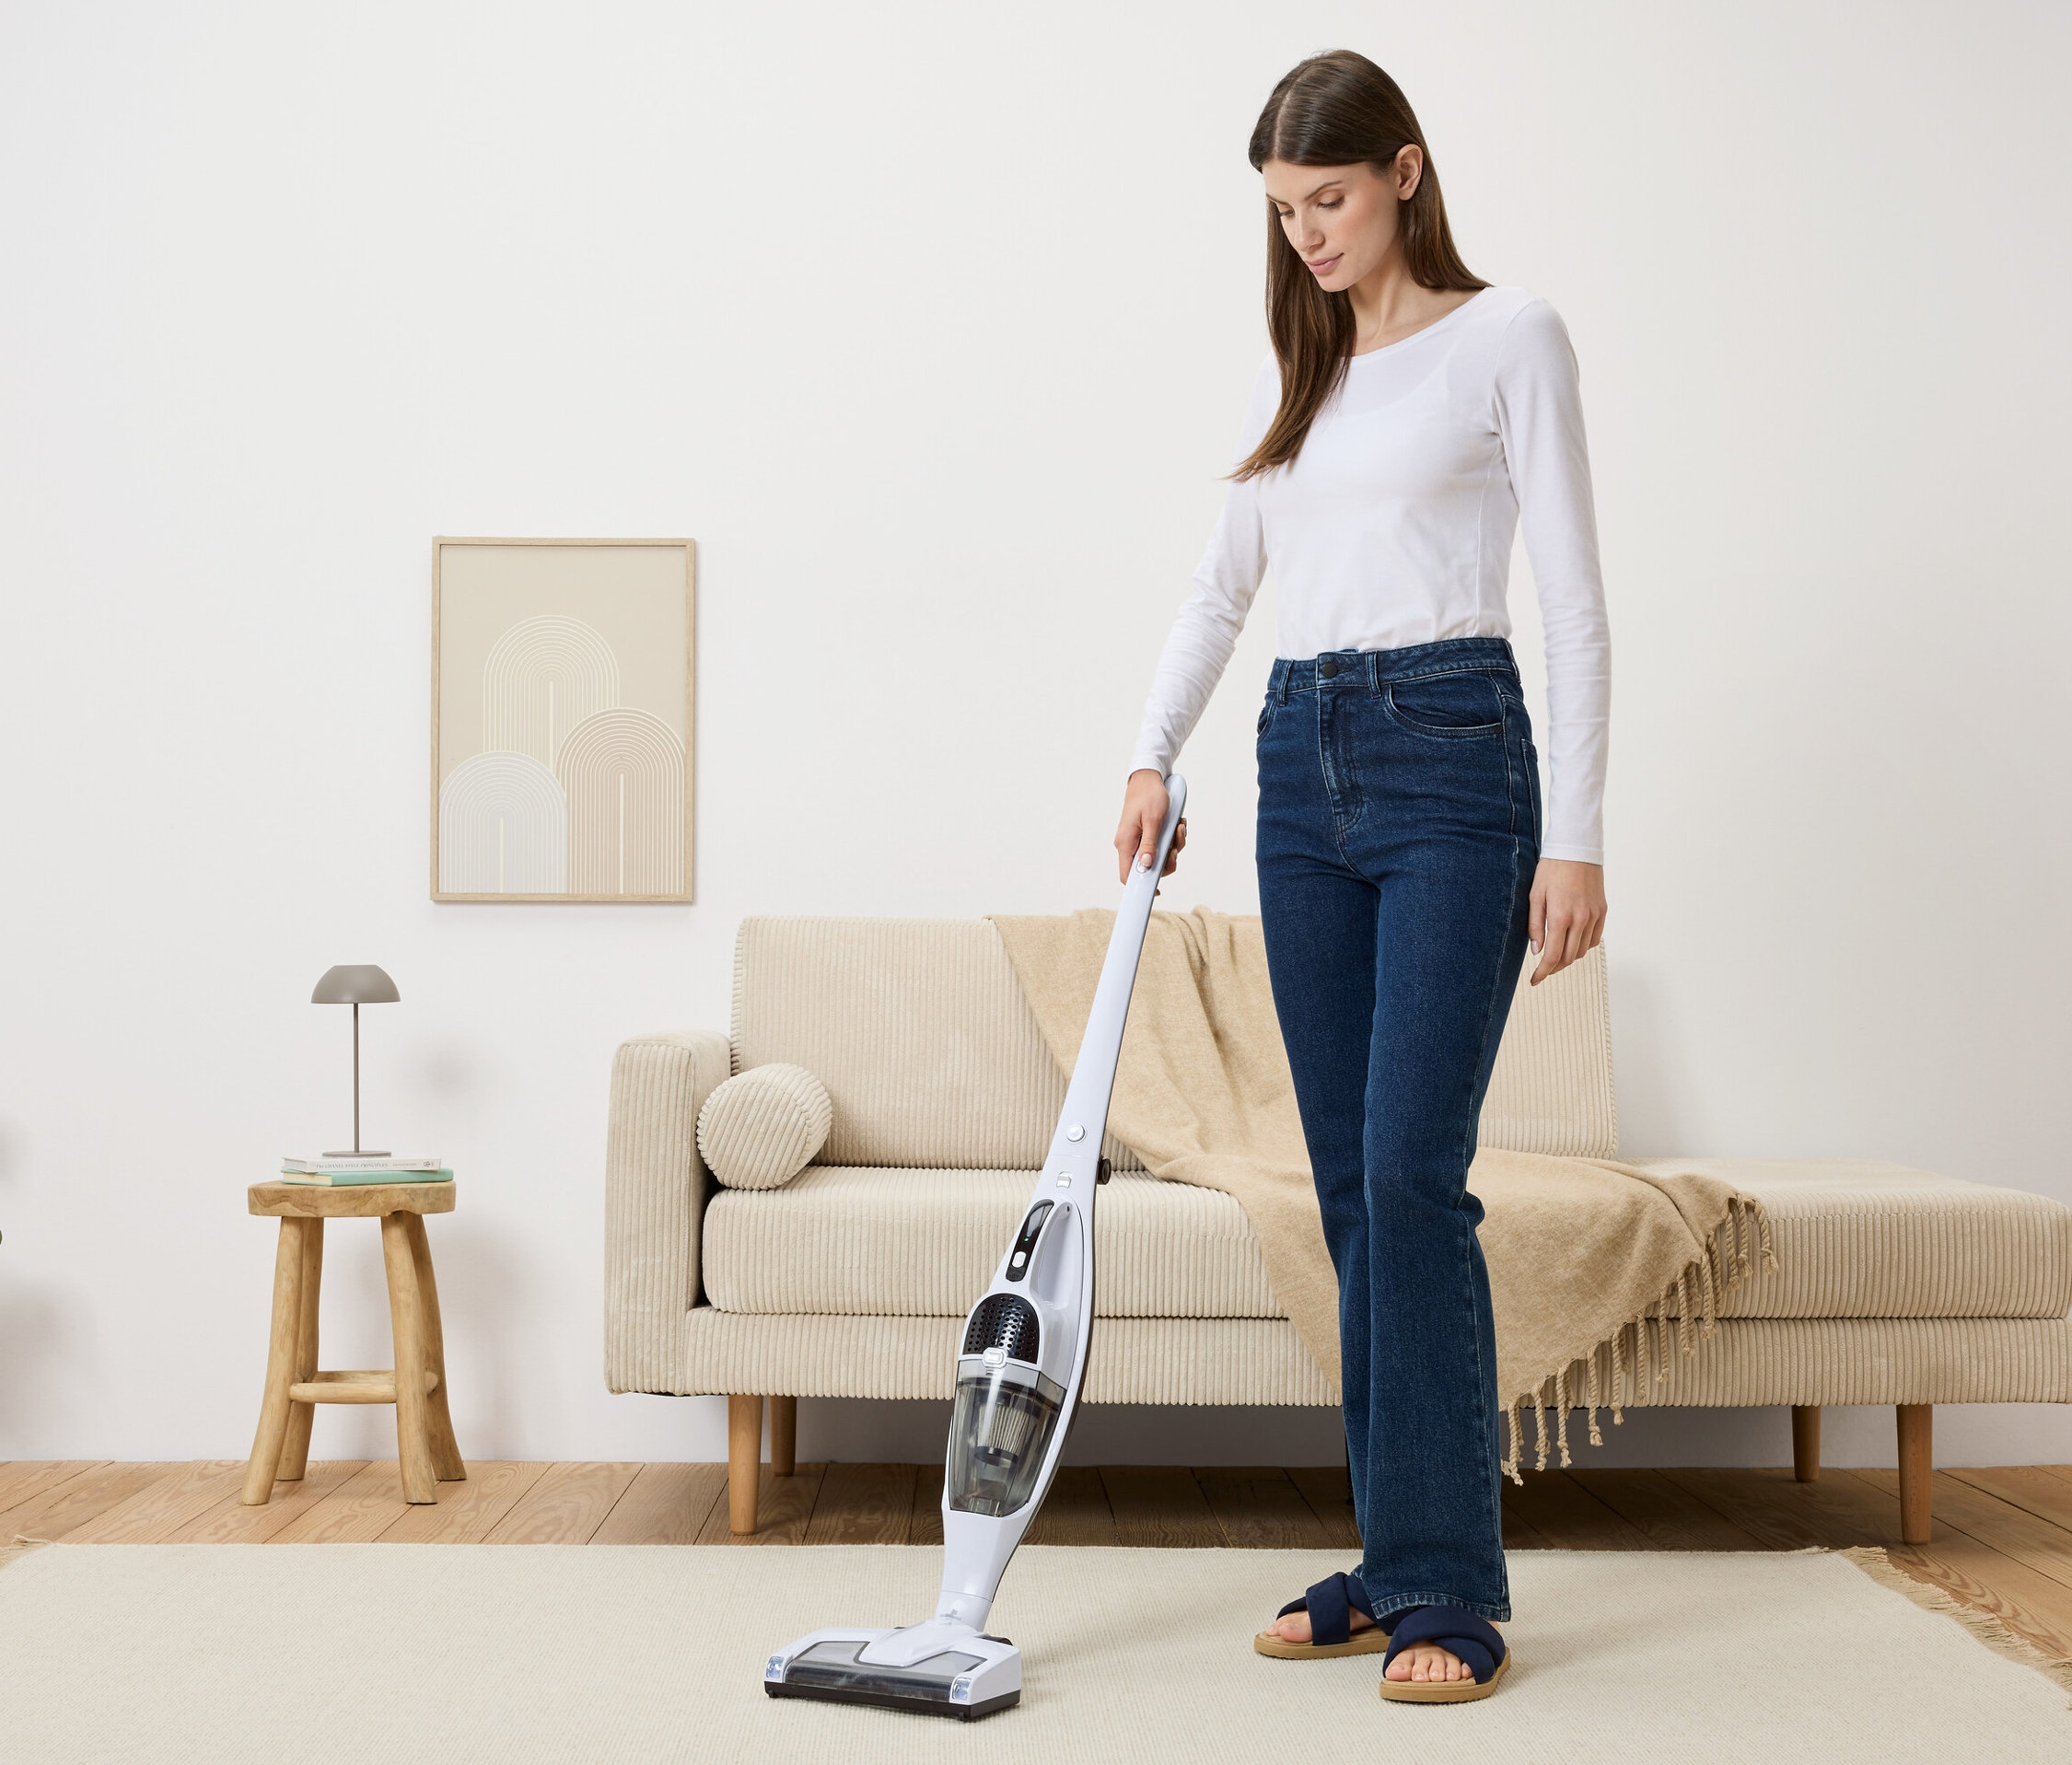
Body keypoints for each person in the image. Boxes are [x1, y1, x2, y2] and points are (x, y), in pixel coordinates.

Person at [1114, 49, 1609, 1703]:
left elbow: (1574, 599)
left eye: (1326, 199)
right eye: (1281, 210)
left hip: (1456, 759)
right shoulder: (1307, 380)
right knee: (1343, 1192)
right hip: (1295, 767)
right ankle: (1391, 1557)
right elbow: (1215, 589)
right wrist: (1147, 751)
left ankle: (1454, 1592)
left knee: (1411, 1177)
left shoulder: (1507, 337)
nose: (1306, 234)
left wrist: (1580, 833)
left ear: (1403, 171)